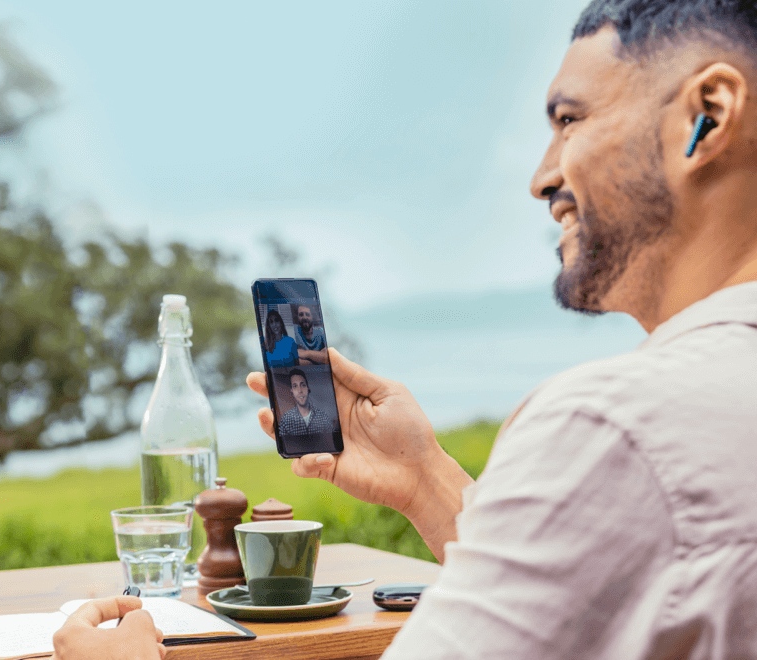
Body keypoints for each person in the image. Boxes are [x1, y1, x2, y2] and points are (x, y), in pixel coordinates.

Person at [51, 0, 757, 657]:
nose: (542, 179)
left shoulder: (612, 426)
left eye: (569, 120)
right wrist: (424, 482)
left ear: (708, 113)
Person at [277, 368, 332, 436]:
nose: (300, 390)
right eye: (295, 386)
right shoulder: (286, 420)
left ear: (307, 387)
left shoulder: (323, 417)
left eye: (303, 385)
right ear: (292, 390)